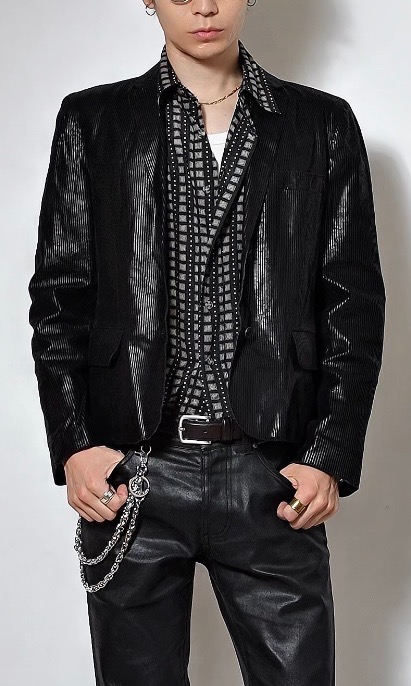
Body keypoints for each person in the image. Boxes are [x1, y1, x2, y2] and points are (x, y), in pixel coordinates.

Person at [27, 0, 386, 684]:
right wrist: (75, 445)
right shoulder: (94, 120)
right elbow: (61, 296)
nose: (204, 5)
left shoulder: (320, 123)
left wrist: (328, 455)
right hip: (134, 471)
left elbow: (353, 304)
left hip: (269, 470)